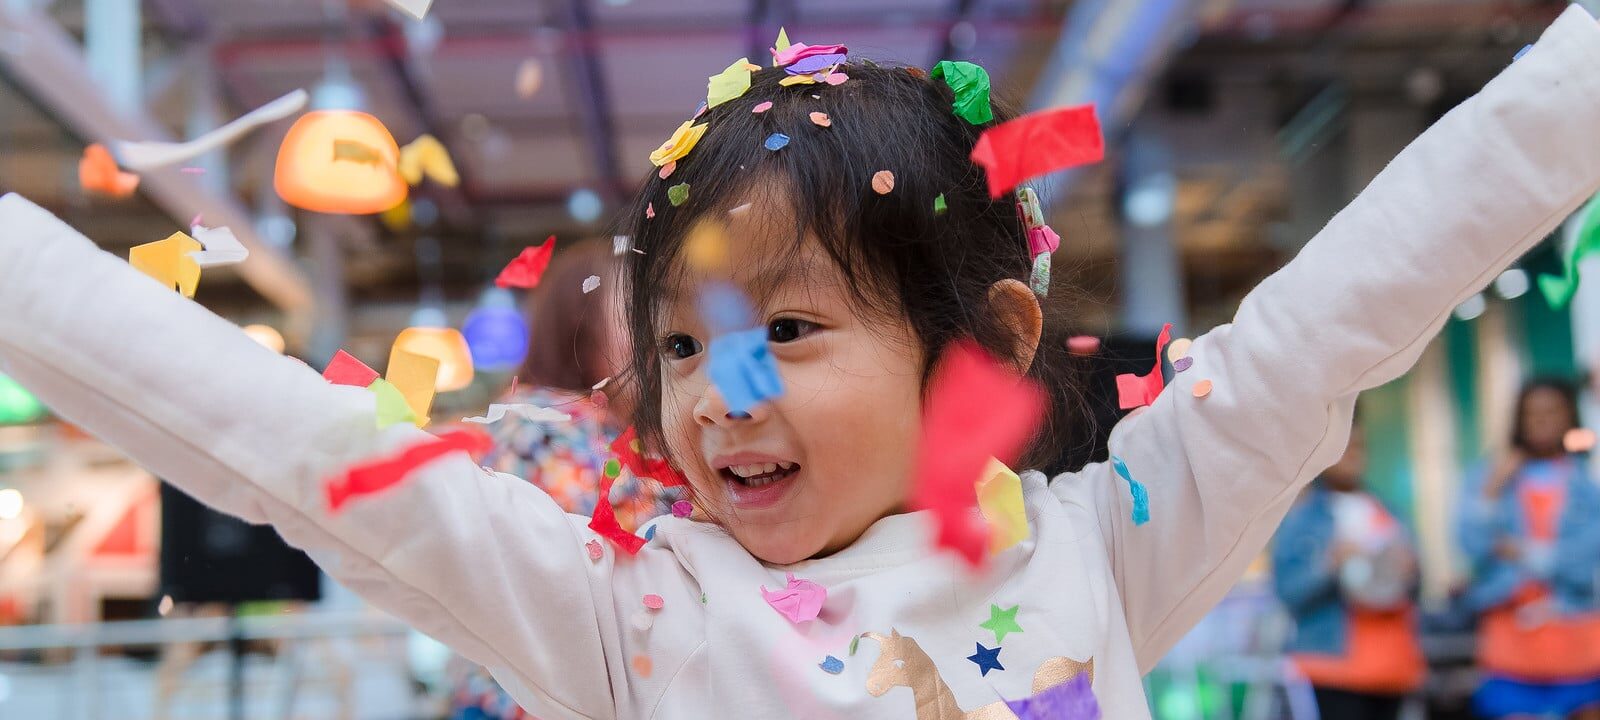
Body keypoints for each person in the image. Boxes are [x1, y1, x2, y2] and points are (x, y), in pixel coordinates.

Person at [5, 10, 1600, 717]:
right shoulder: (624, 616)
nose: (717, 395)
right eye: (679, 344)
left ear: (986, 349)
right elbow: (286, 442)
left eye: (788, 329)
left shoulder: (1106, 550)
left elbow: (1351, 302)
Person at [448, 239, 673, 720]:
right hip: (530, 700)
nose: (657, 332)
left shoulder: (615, 428)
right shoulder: (543, 423)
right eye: (636, 312)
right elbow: (619, 544)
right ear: (579, 324)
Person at [1459, 378, 1600, 720]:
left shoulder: (1586, 480)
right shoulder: (1490, 476)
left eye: (1552, 411)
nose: (1542, 420)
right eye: (1532, 413)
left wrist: (1524, 553)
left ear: (1570, 416)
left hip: (1578, 641)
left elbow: (1587, 561)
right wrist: (1492, 490)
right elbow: (1473, 546)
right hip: (1511, 644)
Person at [1273, 428, 1426, 719]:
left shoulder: (1389, 512)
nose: (1353, 455)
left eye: (1358, 446)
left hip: (1392, 663)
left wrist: (1411, 571)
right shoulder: (1303, 518)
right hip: (1334, 667)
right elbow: (1287, 591)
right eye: (1344, 447)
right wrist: (1329, 565)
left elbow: (1417, 587)